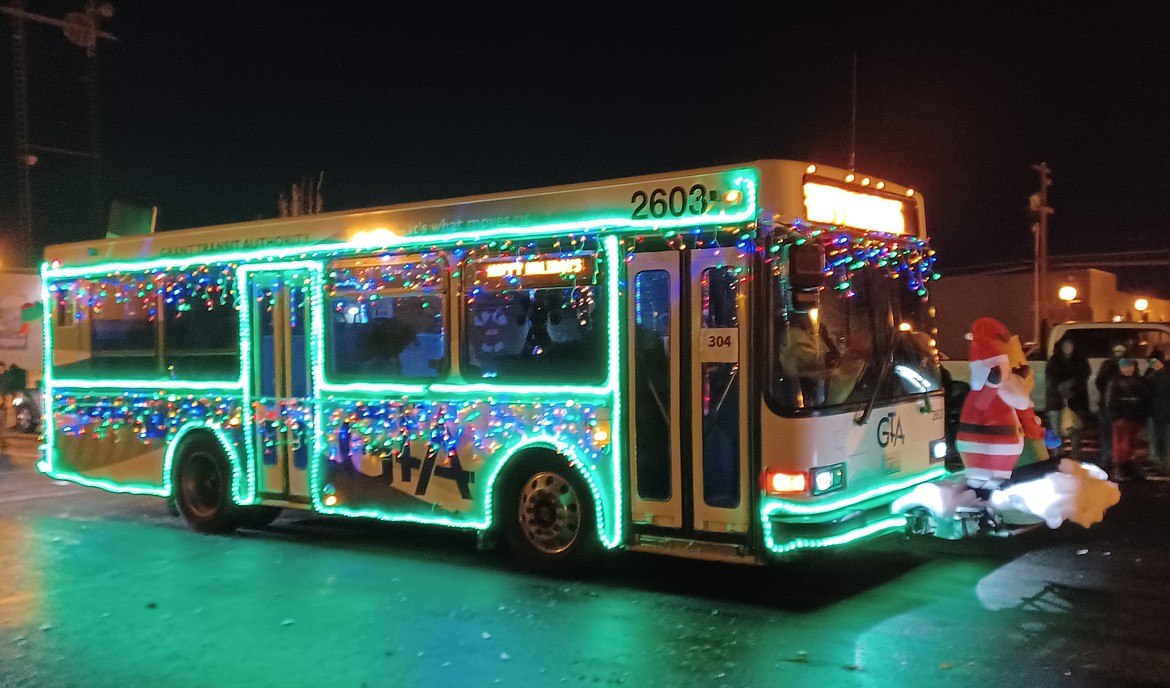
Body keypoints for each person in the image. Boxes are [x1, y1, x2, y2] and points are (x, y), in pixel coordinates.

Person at [1044, 337, 1090, 461]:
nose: (1068, 348)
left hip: (1076, 401)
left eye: (1070, 345)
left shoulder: (1080, 361)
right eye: (1065, 345)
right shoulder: (1054, 361)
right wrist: (1062, 388)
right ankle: (1058, 457)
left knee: (1075, 431)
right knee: (1057, 431)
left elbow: (1084, 376)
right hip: (1056, 402)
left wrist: (1072, 386)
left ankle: (1075, 457)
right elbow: (1051, 380)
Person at [1105, 357, 1148, 481]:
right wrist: (1116, 416)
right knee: (1120, 446)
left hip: (1136, 418)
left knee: (1133, 445)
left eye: (1130, 366)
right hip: (1122, 419)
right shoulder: (1115, 382)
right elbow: (1110, 402)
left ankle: (1131, 468)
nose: (1127, 369)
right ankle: (1120, 469)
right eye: (1124, 367)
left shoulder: (1140, 381)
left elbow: (1144, 398)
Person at [1095, 342, 1128, 467]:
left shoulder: (1129, 364)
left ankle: (1119, 458)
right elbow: (1099, 382)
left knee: (1121, 434)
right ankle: (1107, 457)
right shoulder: (1107, 365)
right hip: (1107, 404)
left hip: (1124, 405)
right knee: (1107, 432)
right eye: (1117, 352)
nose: (1119, 355)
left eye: (1121, 352)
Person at [1144, 348, 1170, 473]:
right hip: (1154, 412)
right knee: (1156, 438)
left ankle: (1163, 463)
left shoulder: (1162, 376)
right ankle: (1158, 462)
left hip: (1164, 412)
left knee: (1164, 439)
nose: (1153, 364)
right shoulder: (1150, 375)